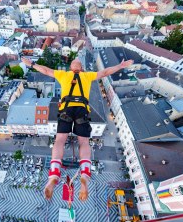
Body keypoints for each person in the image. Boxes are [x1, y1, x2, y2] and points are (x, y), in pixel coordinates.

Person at [21, 57, 133, 201]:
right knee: (84, 142)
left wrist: (32, 64)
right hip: (81, 110)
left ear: (71, 67)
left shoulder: (64, 75)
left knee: (60, 140)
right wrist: (120, 65)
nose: (77, 59)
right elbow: (105, 72)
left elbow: (45, 70)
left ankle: (54, 174)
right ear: (80, 68)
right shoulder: (87, 75)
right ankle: (85, 175)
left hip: (66, 109)